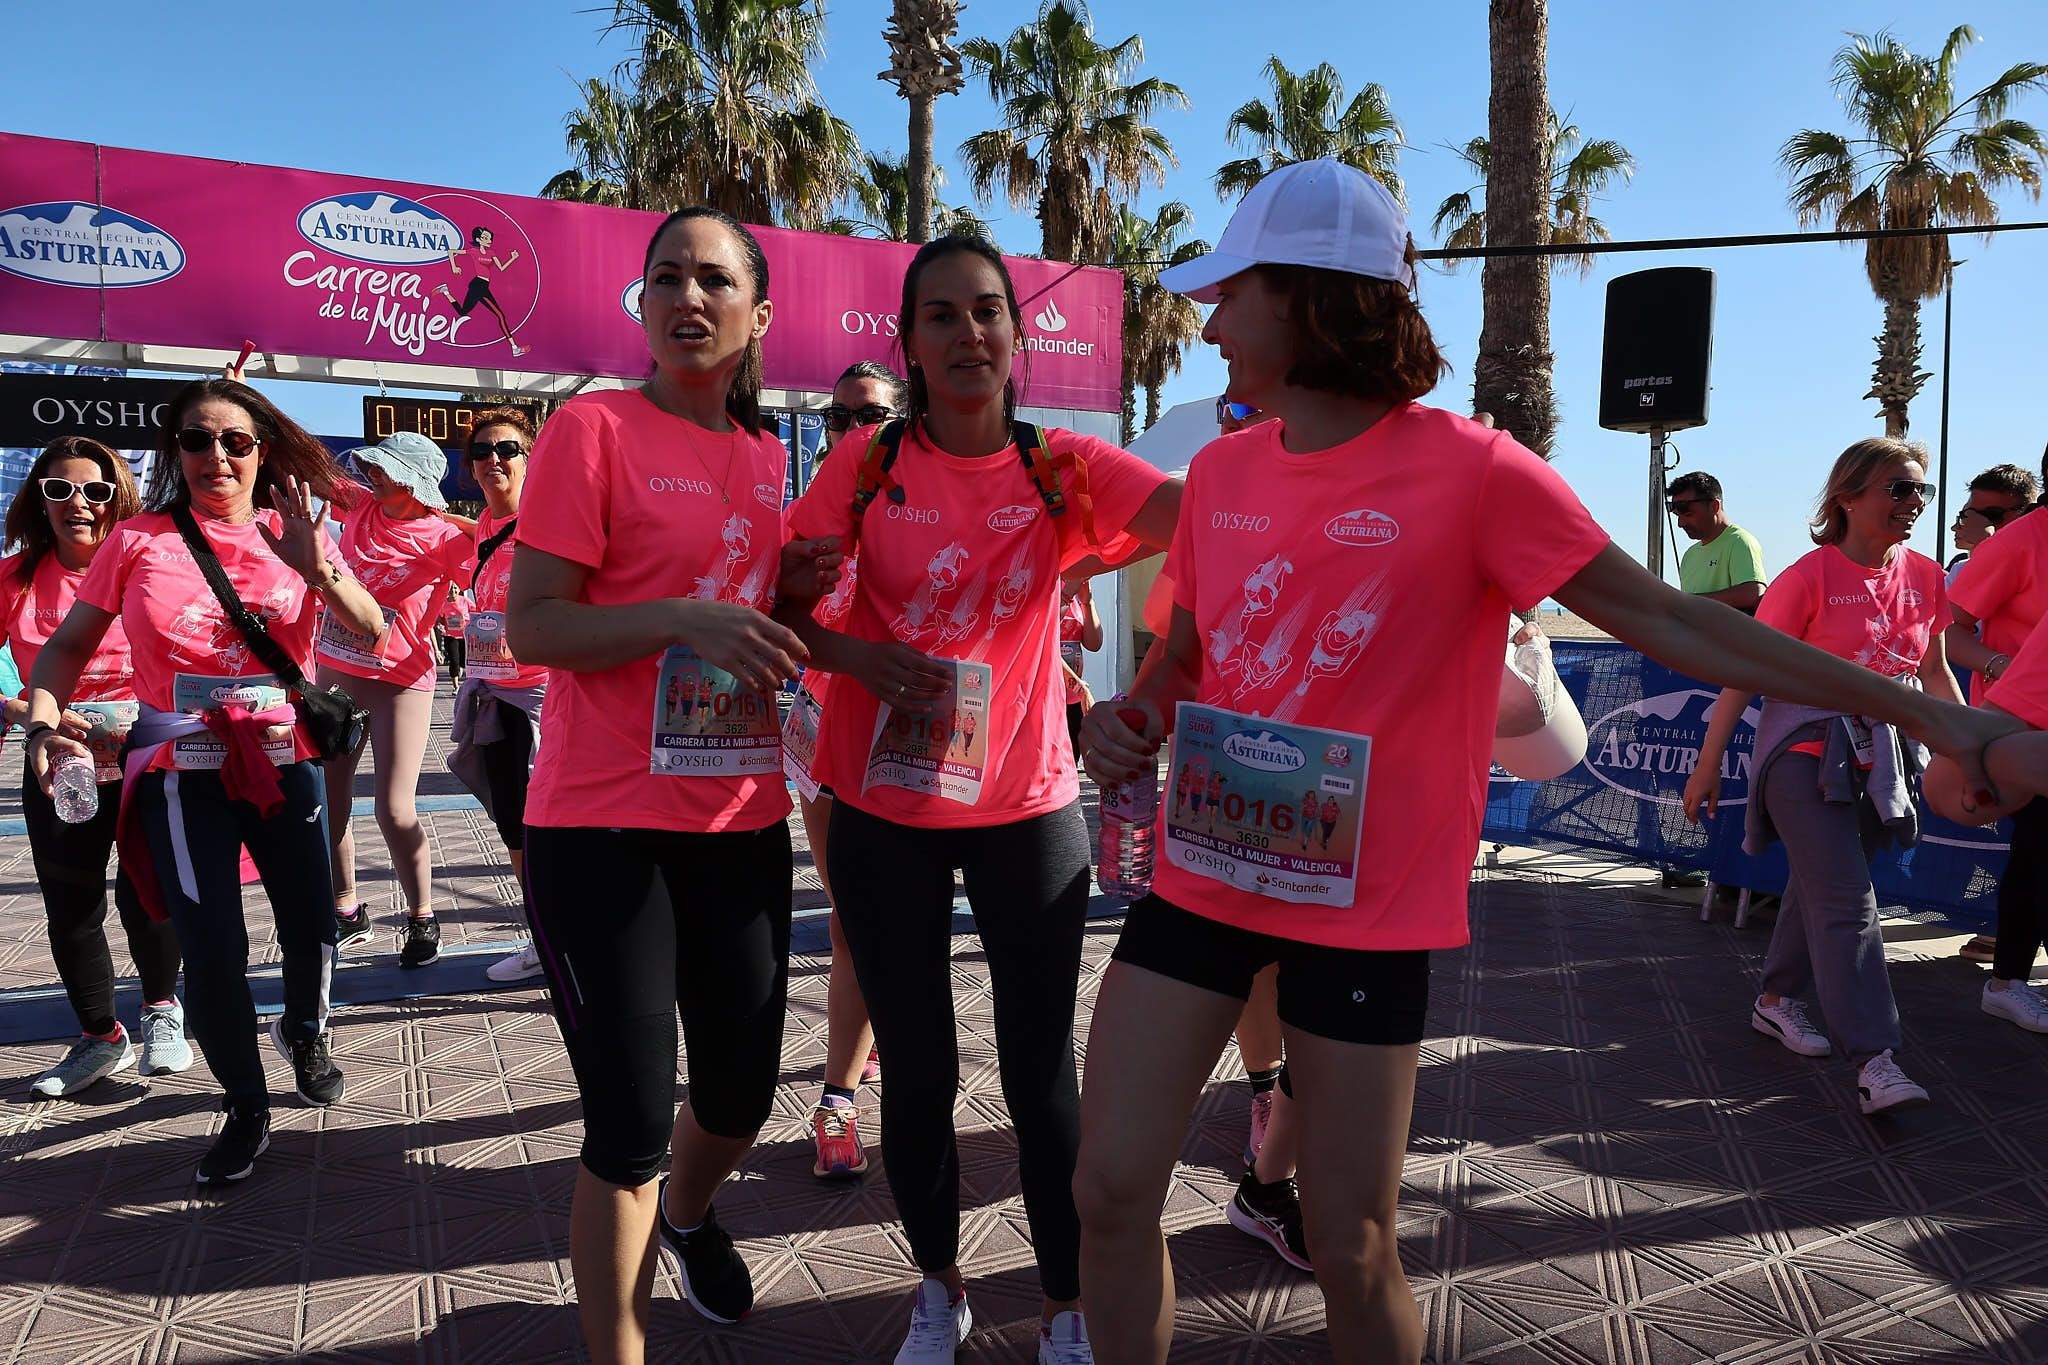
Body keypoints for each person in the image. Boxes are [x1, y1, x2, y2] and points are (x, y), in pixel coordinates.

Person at [1067, 159, 2013, 1365]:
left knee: (1352, 1244)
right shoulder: (1223, 477)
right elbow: (1183, 653)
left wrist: (1926, 714)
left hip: (1366, 916)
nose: (1206, 322)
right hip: (1206, 877)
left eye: (1230, 292)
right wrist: (1133, 714)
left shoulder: (1474, 470)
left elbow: (1677, 623)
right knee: (1107, 1192)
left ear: (1310, 299)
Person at [776, 232, 1178, 1365]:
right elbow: (777, 603)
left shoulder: (1066, 469)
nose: (967, 333)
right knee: (918, 1067)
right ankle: (936, 1285)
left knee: (1039, 1070)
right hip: (882, 808)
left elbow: (1210, 528)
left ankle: (1061, 1305)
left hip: (1027, 806)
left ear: (1016, 333)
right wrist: (851, 661)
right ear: (907, 342)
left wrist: (1155, 683)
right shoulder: (861, 467)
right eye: (940, 315)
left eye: (987, 311)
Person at [506, 207, 833, 1363]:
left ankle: (690, 1219)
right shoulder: (590, 430)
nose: (687, 299)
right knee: (630, 1121)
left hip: (740, 816)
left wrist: (788, 587)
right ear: (641, 305)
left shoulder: (760, 455)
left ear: (758, 314)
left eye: (712, 281)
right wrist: (685, 617)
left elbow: (743, 629)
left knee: (741, 1095)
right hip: (602, 830)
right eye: (666, 280)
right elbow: (534, 624)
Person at [23, 378, 387, 1184]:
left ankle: (305, 1026)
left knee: (311, 921)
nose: (214, 456)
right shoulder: (138, 540)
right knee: (210, 944)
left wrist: (317, 569)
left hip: (284, 764)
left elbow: (376, 628)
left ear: (262, 449)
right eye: (195, 440)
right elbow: (66, 648)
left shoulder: (295, 531)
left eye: (235, 440)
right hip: (183, 775)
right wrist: (44, 721)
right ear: (174, 451)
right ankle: (245, 1102)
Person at [1685, 438, 1966, 1115]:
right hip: (1804, 753)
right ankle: (1877, 1058)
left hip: (1884, 757)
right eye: (1898, 488)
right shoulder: (1805, 577)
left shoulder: (1927, 576)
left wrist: (1967, 749)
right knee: (1847, 900)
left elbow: (1933, 673)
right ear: (1847, 497)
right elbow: (1745, 672)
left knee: (1825, 890)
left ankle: (1776, 1000)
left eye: (1920, 490)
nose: (1914, 502)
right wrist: (1706, 765)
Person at [4, 439, 187, 1097]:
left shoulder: (149, 566)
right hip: (61, 766)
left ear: (119, 498)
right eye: (60, 490)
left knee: (148, 891)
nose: (78, 504)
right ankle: (98, 1037)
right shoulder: (16, 576)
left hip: (147, 757)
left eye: (96, 490)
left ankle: (163, 1013)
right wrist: (26, 711)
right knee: (71, 905)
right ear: (40, 500)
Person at [790, 360, 905, 1181]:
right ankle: (838, 1098)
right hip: (827, 735)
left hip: (916, 742)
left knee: (893, 926)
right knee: (851, 921)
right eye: (839, 417)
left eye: (871, 416)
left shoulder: (932, 500)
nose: (852, 431)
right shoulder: (810, 512)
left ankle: (867, 1061)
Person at [320, 432, 476, 968]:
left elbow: (504, 553)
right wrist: (243, 401)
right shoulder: (360, 505)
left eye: (384, 468)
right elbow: (304, 464)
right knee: (329, 798)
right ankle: (346, 909)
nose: (371, 474)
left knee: (393, 807)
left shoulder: (447, 538)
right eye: (369, 465)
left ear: (415, 480)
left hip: (402, 680)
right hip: (336, 672)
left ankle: (422, 916)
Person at [437, 409, 552, 987]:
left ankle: (569, 940)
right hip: (498, 696)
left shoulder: (555, 520)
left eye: (507, 449)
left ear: (530, 459)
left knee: (555, 827)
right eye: (481, 453)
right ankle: (544, 938)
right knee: (515, 826)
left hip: (549, 700)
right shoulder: (482, 526)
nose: (494, 461)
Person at [1944, 453, 2048, 1023]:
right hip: (2021, 727)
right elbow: (1946, 632)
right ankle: (2007, 981)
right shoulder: (2019, 541)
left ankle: (2007, 979)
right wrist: (2002, 663)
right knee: (2038, 848)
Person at [1668, 471, 1767, 613]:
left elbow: (1753, 593)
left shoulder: (1740, 541)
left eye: (1688, 514)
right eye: (1678, 516)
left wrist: (1689, 603)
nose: (1680, 523)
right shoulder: (1689, 555)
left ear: (1714, 506)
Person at [436, 226, 529, 357]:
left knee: (463, 312)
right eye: (485, 238)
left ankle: (445, 291)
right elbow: (451, 251)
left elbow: (501, 268)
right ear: (478, 239)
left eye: (489, 238)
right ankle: (514, 348)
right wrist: (454, 267)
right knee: (500, 316)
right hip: (478, 285)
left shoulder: (492, 253)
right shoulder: (473, 251)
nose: (488, 240)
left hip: (483, 286)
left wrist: (513, 258)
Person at [1944, 463, 2037, 582]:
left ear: (2027, 513)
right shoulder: (1960, 571)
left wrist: (1988, 546)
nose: (1979, 525)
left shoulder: (2040, 567)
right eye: (1968, 516)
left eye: (1992, 515)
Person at [1059, 581, 1103, 751]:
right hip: (1049, 691)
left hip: (1073, 695)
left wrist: (1087, 602)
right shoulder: (1053, 589)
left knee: (1072, 753)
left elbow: (1094, 644)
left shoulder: (1078, 593)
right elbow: (1044, 642)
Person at [437, 584, 469, 683]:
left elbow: (475, 611)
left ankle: (460, 669)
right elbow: (439, 618)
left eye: (455, 588)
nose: (453, 590)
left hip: (464, 635)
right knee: (454, 660)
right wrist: (440, 626)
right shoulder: (443, 603)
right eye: (451, 588)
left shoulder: (465, 601)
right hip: (450, 636)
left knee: (463, 661)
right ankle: (455, 686)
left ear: (459, 589)